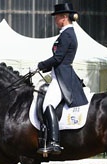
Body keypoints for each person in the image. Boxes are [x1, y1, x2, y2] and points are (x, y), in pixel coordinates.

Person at [36, 3, 88, 155]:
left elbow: (58, 58)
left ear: (64, 17)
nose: (55, 20)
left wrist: (40, 65)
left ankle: (54, 142)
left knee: (48, 104)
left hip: (63, 76)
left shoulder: (67, 34)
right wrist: (45, 67)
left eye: (57, 17)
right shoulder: (66, 33)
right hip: (59, 73)